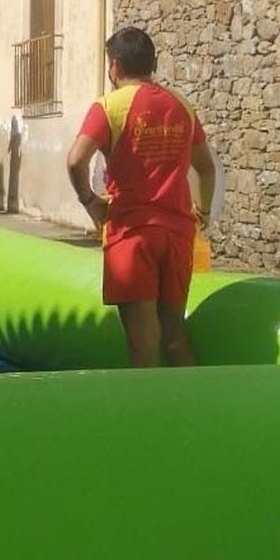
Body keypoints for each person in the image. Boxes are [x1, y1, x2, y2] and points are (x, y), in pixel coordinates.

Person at [67, 27, 216, 369]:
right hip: (177, 232)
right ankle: (200, 398)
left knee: (143, 342)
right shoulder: (182, 106)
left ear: (115, 67)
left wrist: (89, 201)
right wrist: (203, 210)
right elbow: (206, 168)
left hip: (132, 233)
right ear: (153, 63)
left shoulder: (108, 107)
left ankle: (146, 402)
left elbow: (75, 160)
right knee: (174, 335)